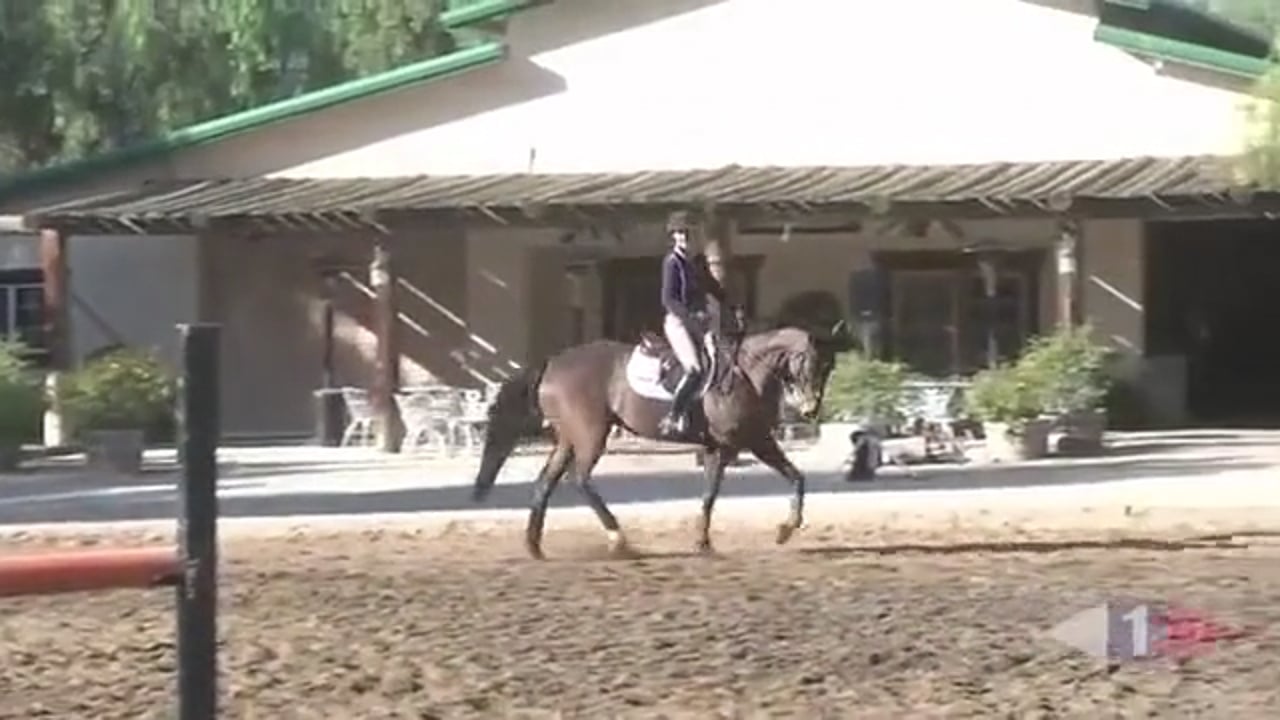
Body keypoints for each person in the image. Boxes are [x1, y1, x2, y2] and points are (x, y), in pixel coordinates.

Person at [659, 212, 730, 436]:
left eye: (688, 233)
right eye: (680, 233)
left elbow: (712, 288)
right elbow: (668, 299)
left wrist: (730, 304)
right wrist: (692, 319)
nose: (684, 237)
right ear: (674, 236)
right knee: (695, 369)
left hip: (700, 322)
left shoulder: (695, 263)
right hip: (679, 322)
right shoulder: (672, 263)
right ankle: (674, 415)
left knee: (720, 361)